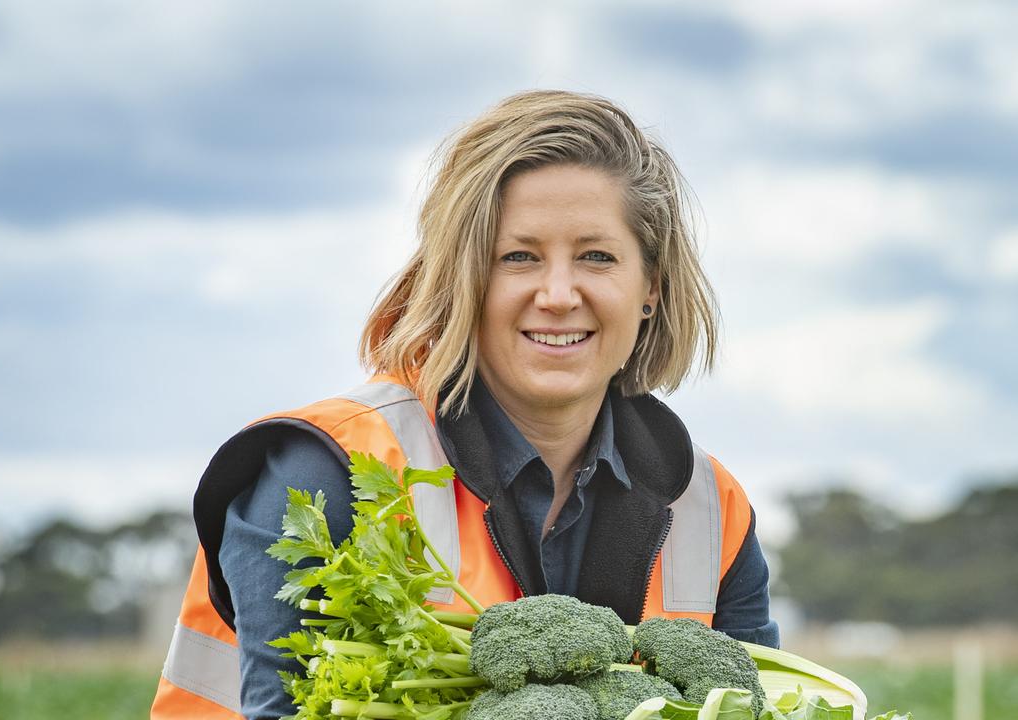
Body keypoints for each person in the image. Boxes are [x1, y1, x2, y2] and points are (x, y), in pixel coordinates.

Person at [151, 90, 779, 720]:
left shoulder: (708, 508)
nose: (559, 294)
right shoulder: (321, 472)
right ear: (460, 281)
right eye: (518, 257)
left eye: (597, 256)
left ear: (650, 289)